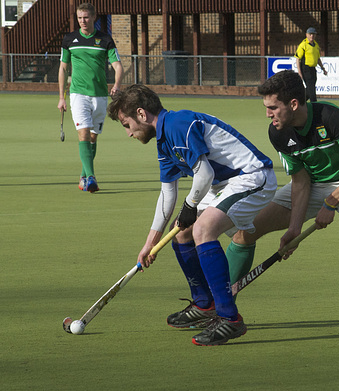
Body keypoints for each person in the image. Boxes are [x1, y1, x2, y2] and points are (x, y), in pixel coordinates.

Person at [225, 70, 339, 339]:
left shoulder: (330, 116)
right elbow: (301, 182)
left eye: (272, 108)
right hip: (312, 185)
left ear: (293, 104)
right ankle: (221, 308)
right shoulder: (278, 133)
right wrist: (293, 230)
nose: (268, 114)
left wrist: (331, 203)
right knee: (246, 231)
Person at [107, 84, 277, 346]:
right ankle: (204, 304)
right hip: (224, 184)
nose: (128, 133)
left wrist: (190, 205)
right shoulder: (164, 140)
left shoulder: (178, 124)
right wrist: (149, 243)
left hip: (252, 177)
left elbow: (205, 174)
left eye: (126, 124)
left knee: (201, 229)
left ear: (141, 114)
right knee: (183, 232)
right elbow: (167, 195)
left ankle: (230, 319)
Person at [58, 2, 124, 193]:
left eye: (86, 17)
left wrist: (117, 86)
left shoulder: (105, 39)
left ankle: (83, 177)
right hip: (78, 95)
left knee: (93, 138)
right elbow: (63, 68)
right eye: (80, 18)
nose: (83, 21)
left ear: (94, 18)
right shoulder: (69, 39)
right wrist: (61, 97)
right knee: (83, 134)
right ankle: (92, 177)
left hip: (100, 96)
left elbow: (118, 66)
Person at [294, 27, 328, 102]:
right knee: (311, 88)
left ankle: (299, 101)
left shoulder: (316, 45)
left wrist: (323, 69)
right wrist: (299, 72)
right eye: (310, 34)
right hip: (306, 68)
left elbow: (318, 59)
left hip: (313, 69)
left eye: (313, 34)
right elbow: (297, 59)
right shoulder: (303, 45)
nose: (311, 36)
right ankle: (314, 104)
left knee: (310, 88)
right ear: (306, 35)